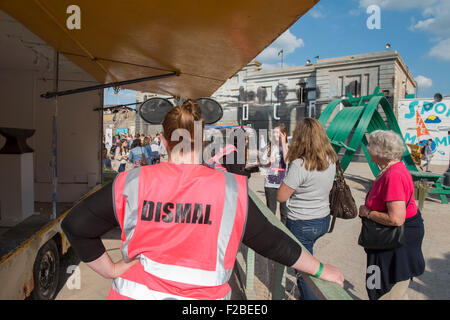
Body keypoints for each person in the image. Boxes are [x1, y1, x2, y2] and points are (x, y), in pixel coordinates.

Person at [61, 100, 344, 300]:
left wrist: (110, 269)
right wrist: (321, 268)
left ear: (164, 139)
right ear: (202, 139)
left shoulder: (132, 182)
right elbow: (271, 241)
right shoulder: (231, 190)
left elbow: (76, 225)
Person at [358, 130, 425, 300]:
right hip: (393, 240)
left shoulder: (394, 175)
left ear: (380, 151)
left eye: (371, 146)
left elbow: (396, 219)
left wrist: (368, 213)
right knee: (394, 290)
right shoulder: (393, 168)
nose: (368, 149)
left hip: (396, 242)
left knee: (390, 292)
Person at [277, 118, 337, 300]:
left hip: (302, 222)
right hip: (323, 218)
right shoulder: (331, 159)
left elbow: (281, 196)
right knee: (309, 259)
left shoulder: (300, 164)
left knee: (304, 270)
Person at [260, 125, 289, 225]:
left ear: (284, 134)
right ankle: (272, 231)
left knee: (284, 211)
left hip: (285, 184)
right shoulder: (269, 146)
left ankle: (285, 232)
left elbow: (287, 160)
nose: (276, 134)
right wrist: (268, 160)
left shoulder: (288, 147)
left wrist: (284, 142)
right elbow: (263, 162)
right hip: (270, 183)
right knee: (271, 211)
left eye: (278, 132)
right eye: (274, 132)